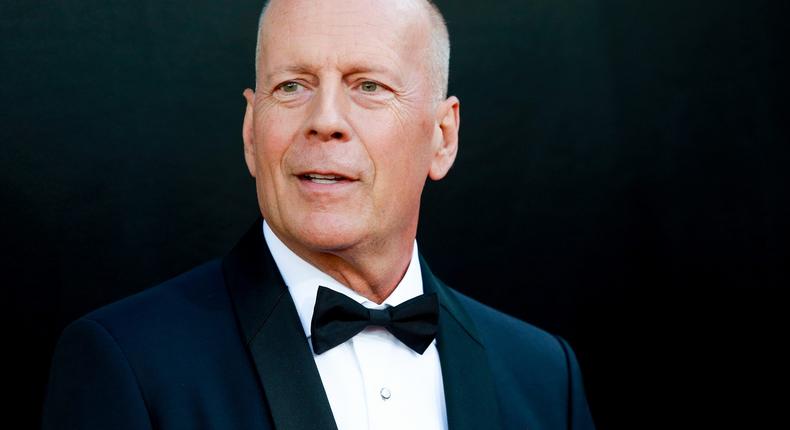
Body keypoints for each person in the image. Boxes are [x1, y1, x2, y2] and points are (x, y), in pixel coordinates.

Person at [42, 0, 596, 429]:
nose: (324, 120)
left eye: (369, 86)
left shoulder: (546, 376)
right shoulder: (126, 364)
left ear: (442, 138)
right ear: (251, 134)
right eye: (292, 86)